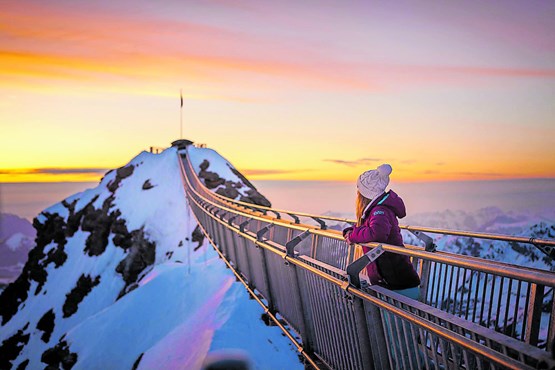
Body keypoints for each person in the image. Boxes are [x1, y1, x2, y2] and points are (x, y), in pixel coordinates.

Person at [343, 164, 420, 299]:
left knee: (395, 320)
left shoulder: (380, 211)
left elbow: (377, 233)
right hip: (391, 282)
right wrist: (352, 231)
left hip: (398, 284)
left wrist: (354, 235)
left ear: (364, 194)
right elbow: (370, 227)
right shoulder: (376, 210)